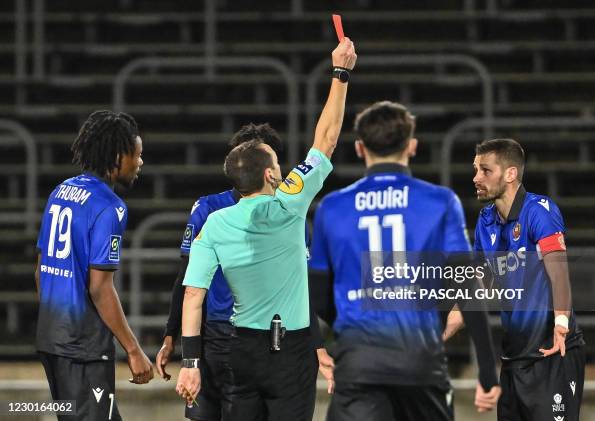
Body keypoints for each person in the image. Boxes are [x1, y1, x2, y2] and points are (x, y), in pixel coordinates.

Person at [175, 38, 357, 420]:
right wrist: (340, 74)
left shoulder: (215, 222)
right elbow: (325, 140)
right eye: (277, 162)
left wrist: (190, 363)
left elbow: (193, 296)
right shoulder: (288, 202)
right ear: (272, 173)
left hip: (241, 350)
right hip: (288, 352)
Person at [307, 101, 502, 421]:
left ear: (359, 148)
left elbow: (316, 295)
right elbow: (469, 287)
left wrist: (347, 318)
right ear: (411, 146)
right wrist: (487, 369)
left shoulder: (333, 207)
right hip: (420, 362)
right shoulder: (441, 201)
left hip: (359, 363)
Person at [155, 123, 334, 421]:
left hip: (245, 340)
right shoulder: (280, 212)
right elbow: (185, 277)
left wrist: (315, 344)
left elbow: (191, 290)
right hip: (223, 337)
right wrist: (171, 335)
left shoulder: (221, 216)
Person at [35, 110, 154, 421]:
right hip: (82, 348)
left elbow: (40, 271)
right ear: (118, 156)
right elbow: (100, 288)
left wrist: (57, 322)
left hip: (51, 337)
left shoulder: (61, 191)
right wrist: (133, 349)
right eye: (137, 155)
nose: (140, 162)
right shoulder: (109, 207)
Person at [469, 138, 586, 421]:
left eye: (485, 170)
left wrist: (561, 324)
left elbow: (558, 270)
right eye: (475, 169)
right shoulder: (485, 222)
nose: (476, 178)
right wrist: (440, 331)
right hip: (512, 360)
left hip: (551, 354)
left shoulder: (539, 211)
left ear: (510, 174)